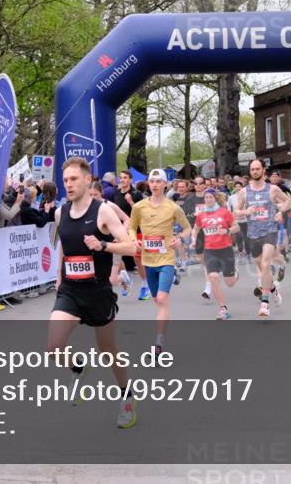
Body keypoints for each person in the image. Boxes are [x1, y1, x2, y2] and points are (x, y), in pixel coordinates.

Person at [48, 157, 138, 428]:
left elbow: (131, 247)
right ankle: (79, 367)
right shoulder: (60, 212)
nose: (69, 184)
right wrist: (59, 273)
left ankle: (126, 399)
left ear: (88, 180)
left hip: (98, 291)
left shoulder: (103, 211)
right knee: (53, 347)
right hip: (71, 290)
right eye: (65, 180)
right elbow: (64, 243)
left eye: (74, 179)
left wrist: (103, 246)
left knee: (108, 350)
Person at [128, 169, 190, 354]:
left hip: (166, 258)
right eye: (151, 181)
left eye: (158, 181)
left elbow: (187, 228)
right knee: (157, 299)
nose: (154, 184)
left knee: (162, 299)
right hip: (148, 259)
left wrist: (180, 238)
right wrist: (134, 239)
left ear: (165, 184)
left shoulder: (173, 207)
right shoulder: (139, 207)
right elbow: (131, 228)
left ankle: (159, 342)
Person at [234, 159, 291, 317]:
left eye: (257, 168)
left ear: (263, 170)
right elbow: (236, 211)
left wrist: (281, 212)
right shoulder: (244, 192)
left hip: (269, 230)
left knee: (266, 264)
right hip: (253, 233)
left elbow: (288, 200)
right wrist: (246, 212)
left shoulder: (272, 189)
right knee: (261, 267)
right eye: (252, 169)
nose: (254, 171)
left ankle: (265, 303)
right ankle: (273, 291)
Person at [191, 188, 240, 320]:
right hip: (210, 251)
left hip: (226, 250)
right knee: (213, 278)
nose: (208, 200)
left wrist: (227, 230)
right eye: (206, 198)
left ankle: (235, 274)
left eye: (210, 197)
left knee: (230, 283)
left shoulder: (224, 212)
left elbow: (237, 227)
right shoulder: (201, 215)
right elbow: (195, 229)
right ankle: (223, 308)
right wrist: (193, 240)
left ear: (215, 198)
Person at [112, 170, 148, 300]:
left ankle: (145, 284)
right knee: (116, 255)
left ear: (131, 180)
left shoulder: (136, 194)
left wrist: (131, 202)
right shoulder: (116, 193)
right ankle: (125, 277)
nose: (122, 180)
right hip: (120, 230)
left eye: (125, 178)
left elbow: (142, 214)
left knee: (137, 258)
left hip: (135, 230)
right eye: (120, 178)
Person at [181, 177, 209, 299]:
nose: (198, 185)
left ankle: (208, 287)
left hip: (210, 231)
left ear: (205, 184)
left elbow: (219, 211)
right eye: (195, 183)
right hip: (197, 232)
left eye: (200, 183)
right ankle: (210, 275)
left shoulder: (209, 196)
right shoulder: (190, 199)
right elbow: (186, 215)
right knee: (203, 260)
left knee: (209, 260)